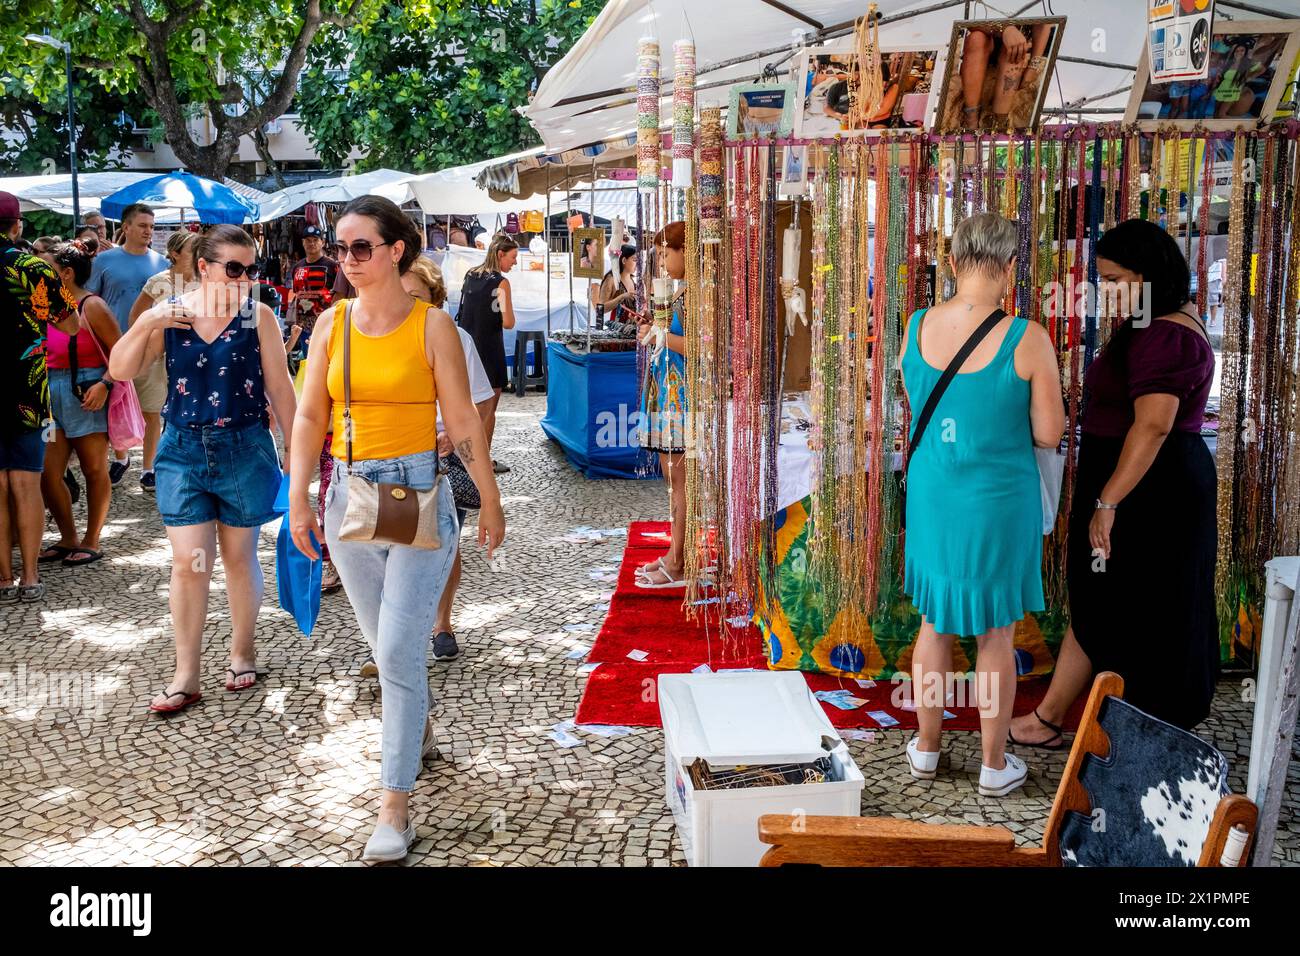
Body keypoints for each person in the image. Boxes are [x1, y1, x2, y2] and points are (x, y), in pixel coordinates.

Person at [288, 195, 505, 863]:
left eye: (361, 246)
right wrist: (298, 499)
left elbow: (465, 424)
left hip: (418, 496)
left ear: (395, 250)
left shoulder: (433, 326)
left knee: (398, 650)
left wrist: (491, 502)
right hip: (349, 500)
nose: (348, 258)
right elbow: (307, 418)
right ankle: (420, 731)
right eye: (341, 245)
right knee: (389, 648)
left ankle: (394, 805)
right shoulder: (332, 324)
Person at [1009, 219, 1218, 747]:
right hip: (1135, 480)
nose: (1108, 292)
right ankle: (1054, 716)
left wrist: (1108, 501)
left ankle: (1140, 731)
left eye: (1117, 278)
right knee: (1100, 599)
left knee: (1133, 604)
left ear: (1149, 274)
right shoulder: (1162, 321)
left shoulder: (1165, 334)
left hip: (1146, 488)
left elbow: (1153, 426)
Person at [899, 212, 1064, 798]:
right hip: (998, 502)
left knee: (934, 622)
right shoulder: (1028, 338)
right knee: (997, 632)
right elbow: (1049, 433)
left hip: (933, 495)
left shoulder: (915, 325)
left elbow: (917, 406)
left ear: (952, 260)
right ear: (1011, 268)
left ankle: (925, 749)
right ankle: (994, 765)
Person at [109, 224, 297, 714]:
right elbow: (121, 369)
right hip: (183, 451)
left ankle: (242, 651)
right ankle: (186, 673)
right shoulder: (172, 317)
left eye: (250, 269)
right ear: (204, 268)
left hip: (244, 447)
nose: (243, 278)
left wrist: (299, 456)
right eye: (233, 268)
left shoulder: (258, 317)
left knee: (238, 557)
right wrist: (147, 321)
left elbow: (281, 389)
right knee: (189, 563)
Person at [400, 254, 495, 668]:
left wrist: (457, 443)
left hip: (441, 457)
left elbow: (480, 402)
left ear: (435, 300)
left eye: (416, 297)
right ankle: (397, 634)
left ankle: (442, 623)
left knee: (444, 543)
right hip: (393, 456)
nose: (408, 305)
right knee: (395, 544)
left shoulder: (455, 337)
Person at [0, 191, 82, 602]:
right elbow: (72, 325)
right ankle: (30, 577)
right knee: (26, 483)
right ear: (17, 226)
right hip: (26, 386)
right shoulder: (34, 267)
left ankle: (2, 576)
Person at [38, 240, 121, 568]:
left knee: (94, 468)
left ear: (67, 274)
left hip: (86, 391)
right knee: (47, 472)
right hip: (48, 392)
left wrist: (105, 384)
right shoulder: (41, 304)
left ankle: (92, 540)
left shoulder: (92, 306)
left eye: (47, 269)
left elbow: (120, 350)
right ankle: (68, 537)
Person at [87, 202, 167, 486]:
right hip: (112, 347)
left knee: (152, 409)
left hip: (151, 347)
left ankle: (149, 468)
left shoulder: (162, 263)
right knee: (114, 406)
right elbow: (89, 301)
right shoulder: (104, 262)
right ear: (126, 228)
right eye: (143, 226)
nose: (149, 231)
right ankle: (121, 457)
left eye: (152, 226)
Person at [636, 222, 691, 589]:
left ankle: (679, 558)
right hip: (667, 391)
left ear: (685, 250)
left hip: (682, 395)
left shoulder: (693, 296)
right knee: (670, 475)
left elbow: (703, 348)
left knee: (679, 478)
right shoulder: (677, 292)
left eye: (665, 252)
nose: (662, 260)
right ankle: (676, 552)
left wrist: (661, 335)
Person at [127, 230, 201, 493]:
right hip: (158, 356)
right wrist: (152, 337)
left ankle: (181, 467)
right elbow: (136, 317)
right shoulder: (158, 282)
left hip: (191, 357)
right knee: (153, 413)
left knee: (184, 412)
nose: (199, 252)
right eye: (193, 248)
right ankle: (149, 469)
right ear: (175, 253)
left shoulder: (204, 282)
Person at [455, 232, 518, 475]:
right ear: (500, 254)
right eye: (512, 257)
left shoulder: (471, 274)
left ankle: (465, 454)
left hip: (467, 346)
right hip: (490, 348)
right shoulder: (501, 283)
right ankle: (483, 461)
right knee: (488, 409)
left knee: (467, 406)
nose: (514, 262)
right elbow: (509, 321)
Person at [596, 244, 638, 324]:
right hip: (616, 330)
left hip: (631, 330)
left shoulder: (633, 280)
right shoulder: (611, 279)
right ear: (624, 260)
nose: (637, 264)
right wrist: (621, 297)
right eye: (635, 260)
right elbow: (600, 309)